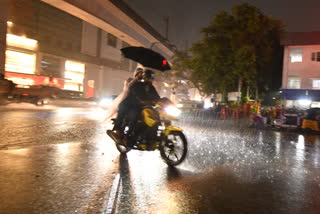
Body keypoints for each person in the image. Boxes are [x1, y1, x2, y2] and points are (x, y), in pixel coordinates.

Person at [109, 69, 160, 145]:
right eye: (148, 77)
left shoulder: (151, 87)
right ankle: (128, 136)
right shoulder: (137, 85)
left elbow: (157, 97)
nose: (150, 79)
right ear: (144, 77)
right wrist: (144, 101)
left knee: (156, 115)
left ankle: (153, 135)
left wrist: (162, 101)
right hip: (132, 105)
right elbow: (139, 96)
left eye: (151, 77)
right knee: (135, 116)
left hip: (143, 106)